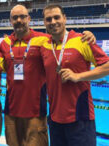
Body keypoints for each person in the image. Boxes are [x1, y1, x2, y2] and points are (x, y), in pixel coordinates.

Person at [0, 4, 96, 146]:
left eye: (22, 16)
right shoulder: (5, 43)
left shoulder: (44, 40)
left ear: (29, 19)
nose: (19, 20)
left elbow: (63, 39)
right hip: (11, 112)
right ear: (10, 21)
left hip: (36, 111)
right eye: (15, 17)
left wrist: (87, 36)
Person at [40, 4, 109, 146]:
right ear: (44, 23)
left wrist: (78, 76)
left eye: (56, 17)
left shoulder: (82, 40)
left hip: (80, 118)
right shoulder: (44, 46)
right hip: (54, 120)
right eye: (48, 19)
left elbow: (106, 66)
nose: (53, 22)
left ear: (64, 19)